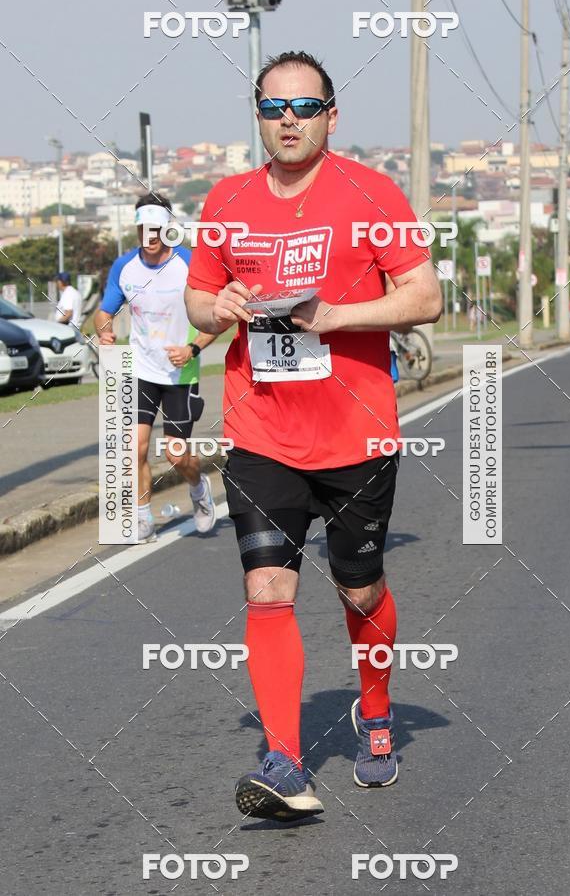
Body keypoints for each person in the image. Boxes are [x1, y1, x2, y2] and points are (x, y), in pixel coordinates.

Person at [185, 51, 441, 821]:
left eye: (304, 107)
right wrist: (220, 303)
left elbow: (424, 295)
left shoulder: (372, 192)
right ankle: (287, 764)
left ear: (333, 115)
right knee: (267, 589)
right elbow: (196, 304)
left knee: (358, 588)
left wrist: (334, 317)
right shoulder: (226, 200)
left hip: (356, 434)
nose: (288, 121)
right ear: (257, 117)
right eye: (273, 108)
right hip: (260, 430)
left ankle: (374, 706)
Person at [95, 192, 217, 542]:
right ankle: (143, 516)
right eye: (142, 230)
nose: (148, 237)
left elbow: (217, 318)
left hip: (181, 372)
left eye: (155, 229)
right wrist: (104, 332)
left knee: (177, 454)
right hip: (141, 370)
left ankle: (198, 486)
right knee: (135, 448)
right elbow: (105, 311)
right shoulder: (125, 267)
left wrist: (193, 348)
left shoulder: (189, 263)